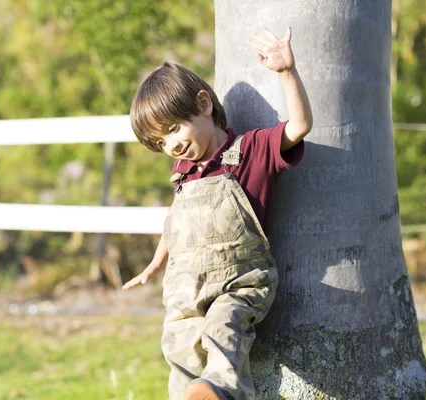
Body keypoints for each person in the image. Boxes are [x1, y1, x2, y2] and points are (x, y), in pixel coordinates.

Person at [122, 26, 312, 400]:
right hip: (186, 289)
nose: (172, 144)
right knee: (178, 348)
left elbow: (300, 126)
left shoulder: (252, 150)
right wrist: (155, 262)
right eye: (161, 142)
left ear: (204, 104)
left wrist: (287, 72)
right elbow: (177, 221)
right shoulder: (182, 173)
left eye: (174, 129)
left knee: (223, 328)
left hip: (237, 284)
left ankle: (221, 392)